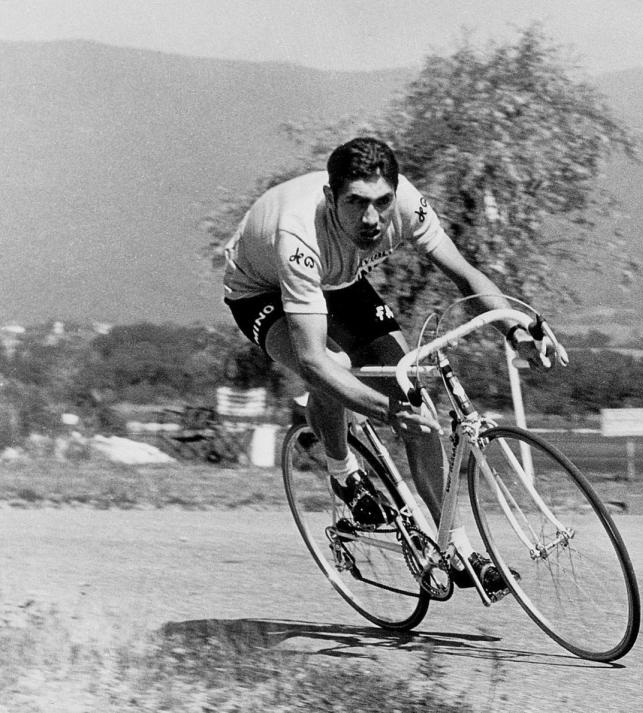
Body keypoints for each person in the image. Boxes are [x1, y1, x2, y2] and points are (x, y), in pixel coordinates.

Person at [223, 137, 551, 594]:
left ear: (396, 195)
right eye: (356, 203)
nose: (372, 219)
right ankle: (344, 475)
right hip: (263, 289)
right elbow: (315, 362)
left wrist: (516, 327)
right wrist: (388, 413)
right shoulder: (298, 233)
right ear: (330, 199)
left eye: (381, 202)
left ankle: (455, 548)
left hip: (338, 278)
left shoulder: (409, 207)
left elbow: (465, 275)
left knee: (414, 395)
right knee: (333, 364)